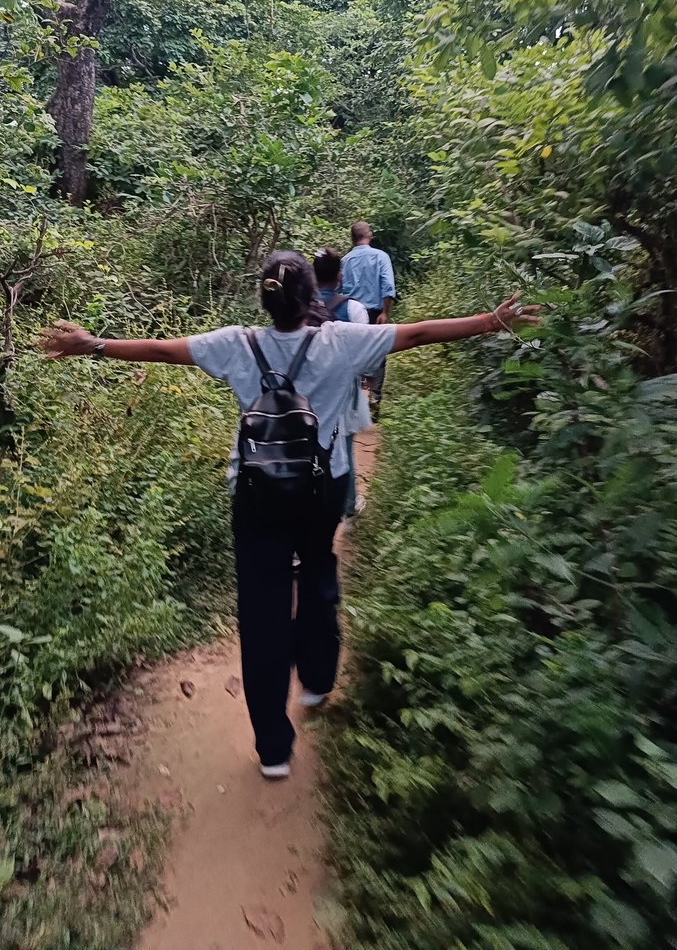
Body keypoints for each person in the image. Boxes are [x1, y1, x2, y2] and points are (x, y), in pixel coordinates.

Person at [41, 251, 538, 781]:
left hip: (255, 495)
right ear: (313, 299)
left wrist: (90, 344)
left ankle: (274, 748)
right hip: (323, 489)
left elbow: (163, 350)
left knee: (261, 611)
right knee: (320, 569)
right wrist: (490, 321)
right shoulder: (340, 342)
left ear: (265, 300)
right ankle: (318, 678)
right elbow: (416, 334)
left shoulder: (236, 343)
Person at [313, 247, 371, 525]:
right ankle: (347, 506)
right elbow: (366, 359)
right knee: (344, 447)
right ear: (339, 276)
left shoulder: (298, 307)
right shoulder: (354, 309)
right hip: (345, 390)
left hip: (308, 391)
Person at [341, 221, 396, 420]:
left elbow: (339, 289)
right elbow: (387, 286)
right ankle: (374, 396)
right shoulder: (381, 257)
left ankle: (352, 401)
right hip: (373, 312)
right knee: (378, 353)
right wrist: (385, 312)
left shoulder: (345, 260)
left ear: (352, 238)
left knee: (352, 354)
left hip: (350, 313)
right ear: (369, 235)